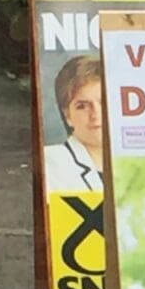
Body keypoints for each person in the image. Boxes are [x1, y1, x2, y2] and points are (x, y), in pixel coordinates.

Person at [42, 56, 104, 192]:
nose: (96, 114)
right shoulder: (49, 163)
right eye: (82, 106)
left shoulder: (144, 161)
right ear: (67, 115)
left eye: (105, 102)